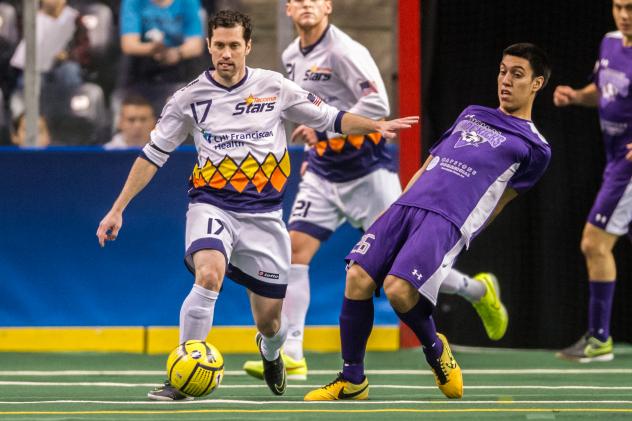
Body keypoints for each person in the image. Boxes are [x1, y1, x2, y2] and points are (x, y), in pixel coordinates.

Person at [96, 9, 418, 401]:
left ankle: (270, 350)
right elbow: (152, 155)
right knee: (209, 275)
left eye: (234, 45)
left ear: (248, 46)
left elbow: (330, 117)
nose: (226, 53)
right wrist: (118, 208)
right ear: (210, 47)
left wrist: (375, 125)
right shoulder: (188, 98)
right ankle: (180, 375)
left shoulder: (275, 87)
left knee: (270, 321)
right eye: (219, 45)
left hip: (264, 217)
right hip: (211, 205)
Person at [242, 0, 508, 382]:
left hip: (368, 175)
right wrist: (313, 143)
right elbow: (305, 105)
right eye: (297, 0)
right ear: (287, 9)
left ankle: (476, 291)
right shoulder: (290, 55)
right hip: (322, 173)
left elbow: (378, 102)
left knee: (401, 266)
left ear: (328, 7)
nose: (306, 5)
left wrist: (325, 126)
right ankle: (294, 352)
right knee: (293, 251)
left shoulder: (345, 51)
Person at [304, 43, 552, 401]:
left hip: (448, 219)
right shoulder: (472, 113)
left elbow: (500, 201)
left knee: (398, 289)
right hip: (407, 205)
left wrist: (464, 232)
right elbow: (429, 163)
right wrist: (399, 204)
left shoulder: (535, 148)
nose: (505, 80)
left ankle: (436, 350)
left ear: (537, 84)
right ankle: (352, 380)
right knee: (357, 275)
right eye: (502, 70)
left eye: (517, 74)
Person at [553, 0, 632, 363]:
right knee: (597, 244)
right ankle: (599, 338)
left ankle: (599, 339)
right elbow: (604, 93)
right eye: (618, 6)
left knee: (594, 242)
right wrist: (576, 96)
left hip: (627, 168)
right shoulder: (609, 42)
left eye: (631, 7)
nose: (624, 15)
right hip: (614, 159)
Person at [118, 0, 205, 115]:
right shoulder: (133, 2)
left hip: (179, 63)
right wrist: (153, 49)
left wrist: (176, 53)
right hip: (142, 65)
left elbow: (196, 45)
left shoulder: (188, 1)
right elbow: (128, 45)